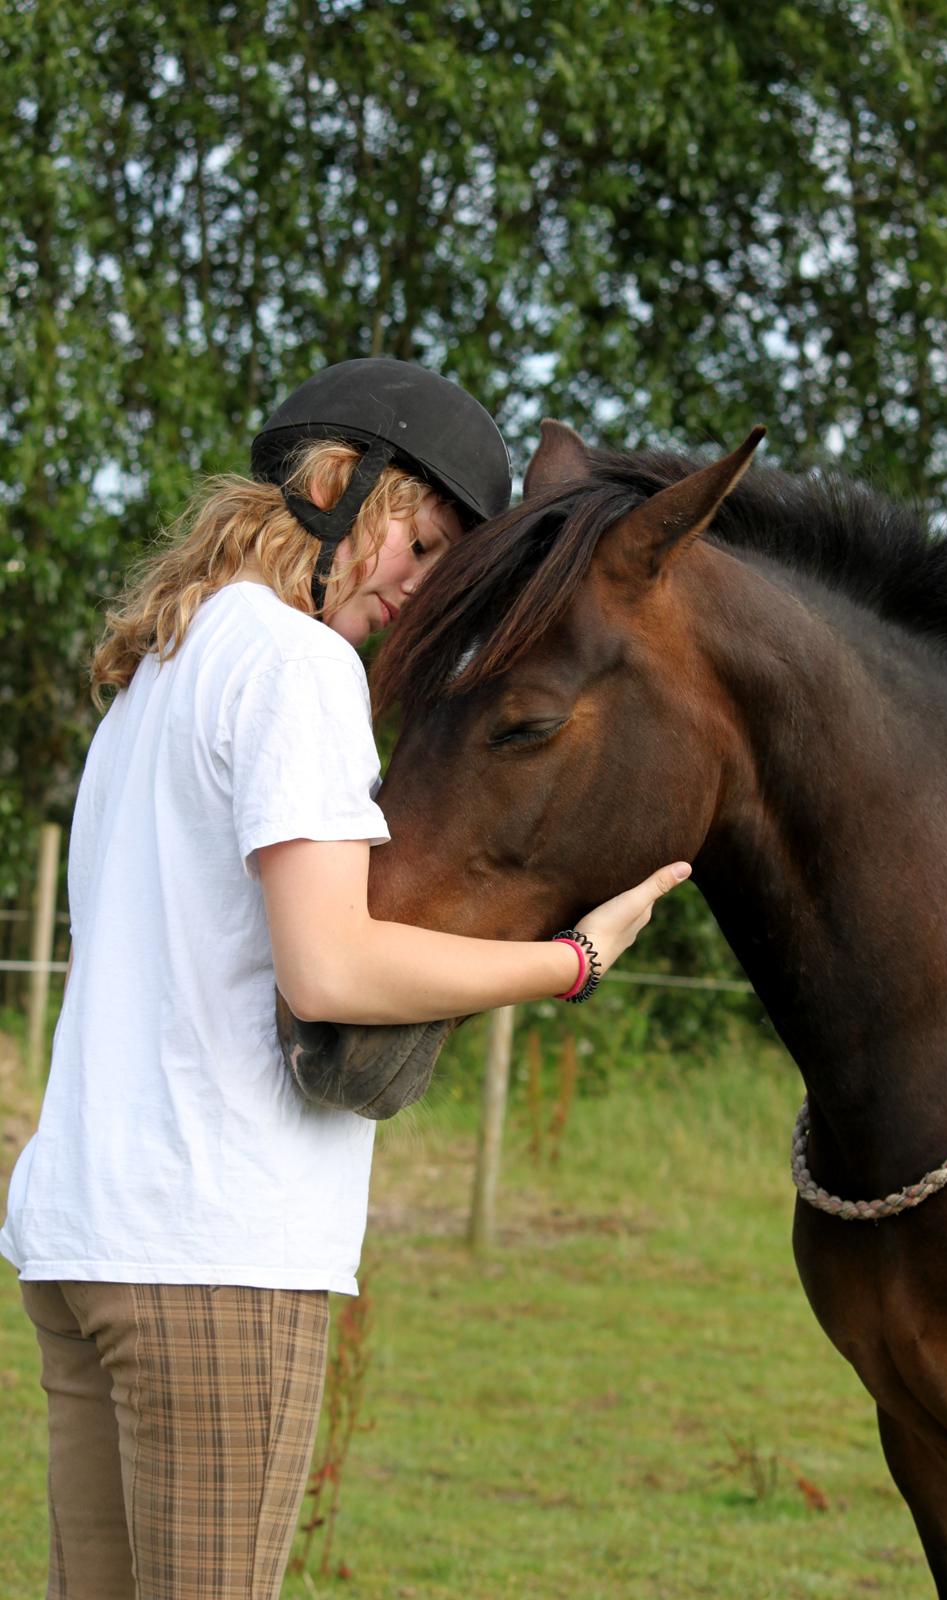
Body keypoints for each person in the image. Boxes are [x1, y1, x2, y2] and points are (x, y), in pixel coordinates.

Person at [0, 357, 690, 1600]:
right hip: (215, 1256)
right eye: (420, 544)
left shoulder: (154, 675)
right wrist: (570, 960)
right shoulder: (293, 664)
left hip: (85, 1240)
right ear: (337, 489)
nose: (416, 595)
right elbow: (328, 967)